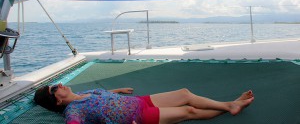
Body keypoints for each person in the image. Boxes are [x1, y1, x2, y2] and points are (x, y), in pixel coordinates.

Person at [34, 83, 254, 124]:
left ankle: (230, 105)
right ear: (56, 99)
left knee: (184, 93)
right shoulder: (73, 112)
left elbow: (103, 94)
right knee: (189, 110)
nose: (60, 85)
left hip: (138, 101)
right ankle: (231, 105)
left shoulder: (82, 93)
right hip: (136, 118)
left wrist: (118, 90)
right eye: (55, 88)